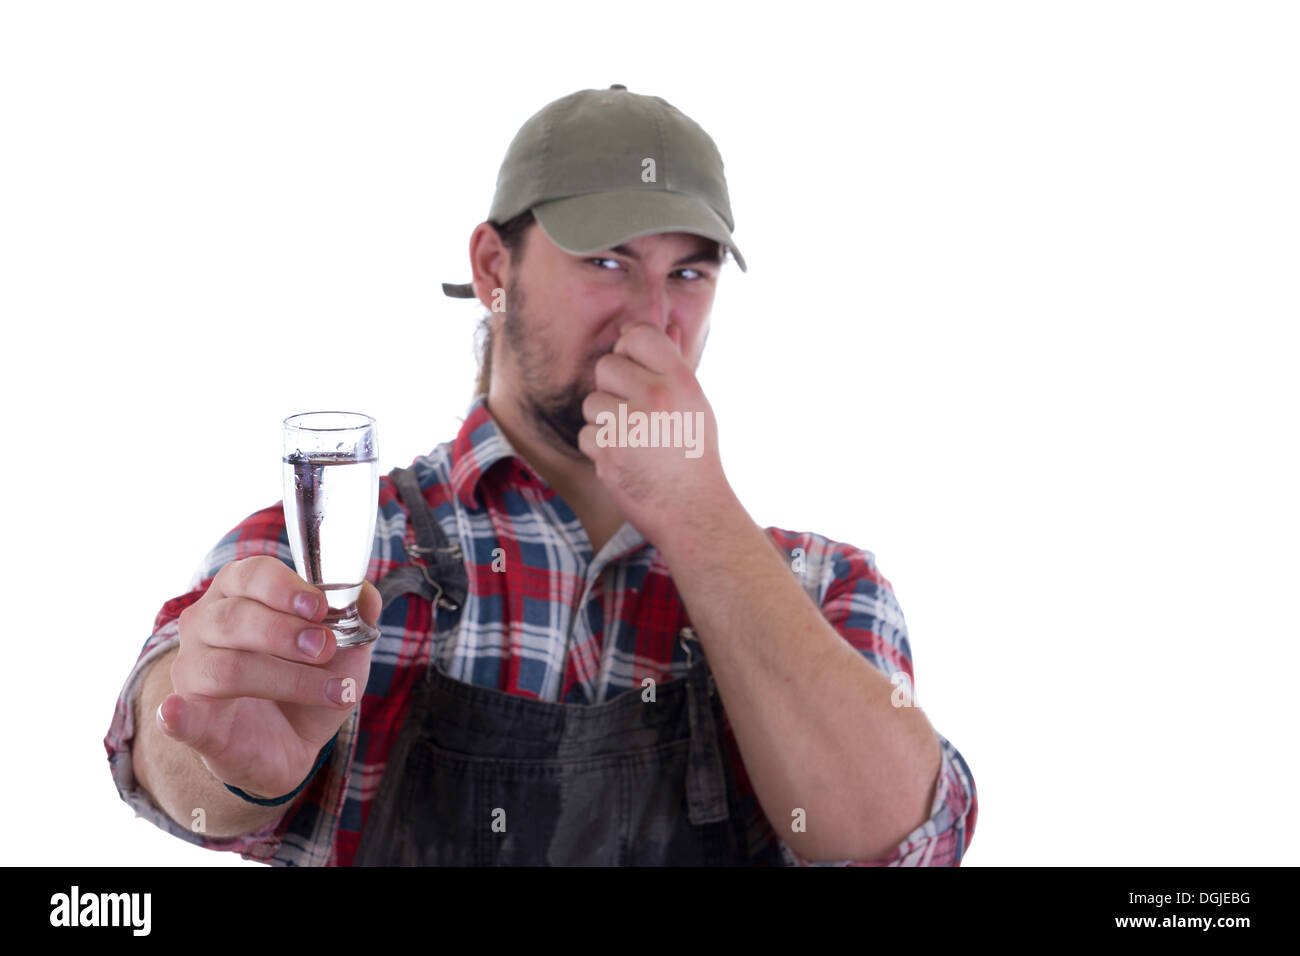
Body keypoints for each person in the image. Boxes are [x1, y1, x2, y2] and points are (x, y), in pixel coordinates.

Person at [105, 84, 978, 866]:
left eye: (688, 272)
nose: (654, 317)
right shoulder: (343, 548)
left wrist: (699, 510)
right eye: (607, 262)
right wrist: (226, 761)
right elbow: (165, 745)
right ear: (495, 270)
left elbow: (902, 838)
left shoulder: (823, 586)